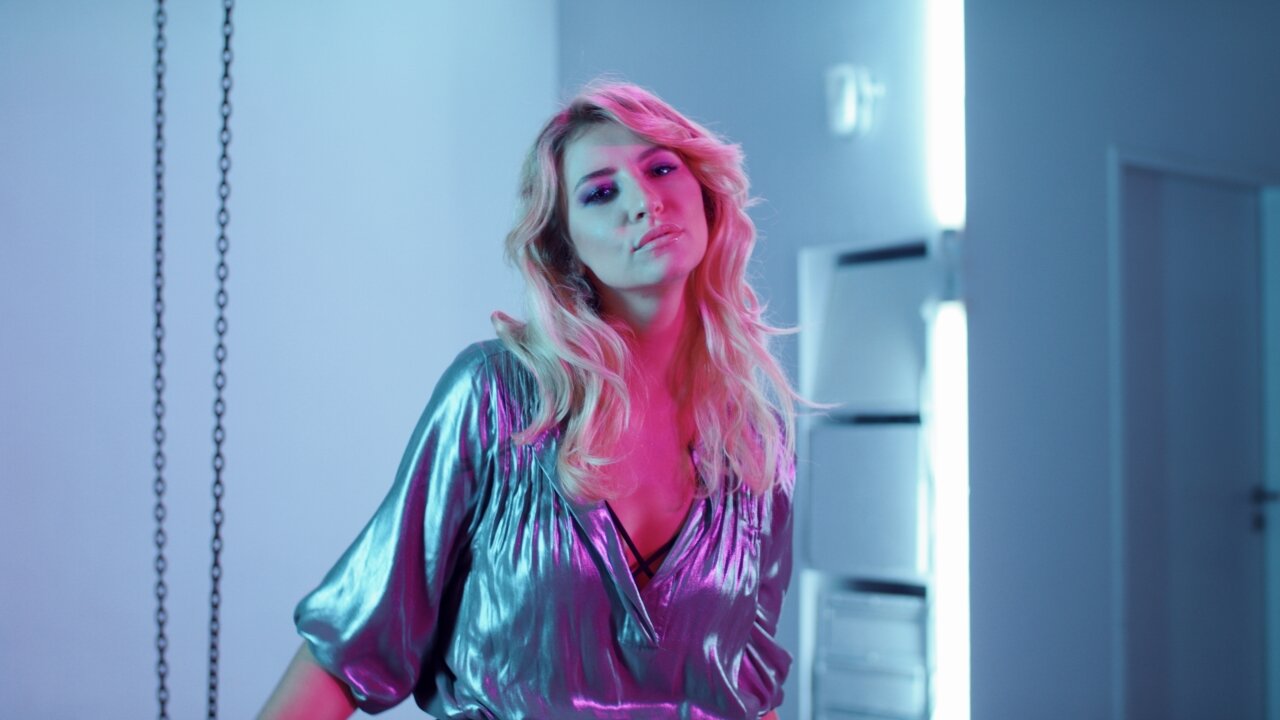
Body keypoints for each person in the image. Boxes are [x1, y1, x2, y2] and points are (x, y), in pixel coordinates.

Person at [258, 80, 799, 720]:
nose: (643, 202)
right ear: (566, 247)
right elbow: (353, 647)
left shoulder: (755, 437)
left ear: (704, 195)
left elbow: (748, 689)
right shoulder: (495, 398)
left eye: (660, 169)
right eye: (600, 193)